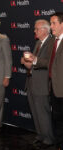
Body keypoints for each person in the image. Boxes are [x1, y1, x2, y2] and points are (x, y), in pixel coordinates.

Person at [21, 19, 54, 149]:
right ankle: (40, 135)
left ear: (45, 30)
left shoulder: (52, 43)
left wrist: (34, 60)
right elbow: (34, 62)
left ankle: (49, 139)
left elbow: (49, 63)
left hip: (42, 84)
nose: (34, 31)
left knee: (43, 113)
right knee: (35, 112)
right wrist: (26, 61)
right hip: (31, 82)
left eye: (36, 29)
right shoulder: (38, 43)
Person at [49, 12, 63, 150]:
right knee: (57, 120)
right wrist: (35, 60)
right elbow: (50, 63)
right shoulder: (54, 41)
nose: (51, 26)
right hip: (54, 88)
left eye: (54, 23)